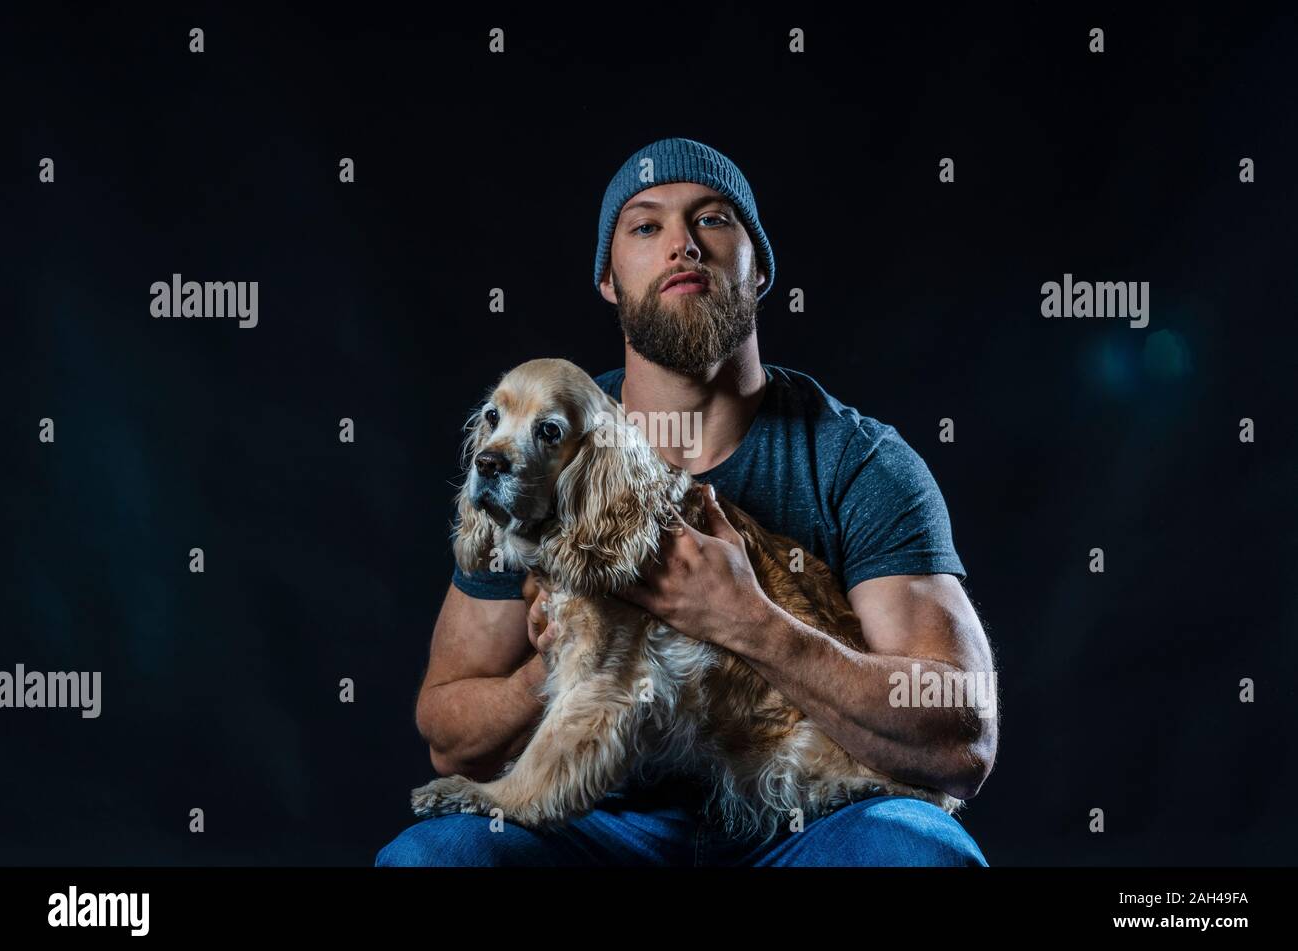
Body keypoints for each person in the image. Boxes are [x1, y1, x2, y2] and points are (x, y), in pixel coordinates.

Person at [376, 137, 995, 866]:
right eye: (646, 226)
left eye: (712, 220)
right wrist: (557, 666)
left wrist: (748, 620)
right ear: (608, 278)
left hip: (809, 824)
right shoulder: (544, 443)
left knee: (916, 854)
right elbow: (450, 740)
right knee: (435, 858)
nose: (682, 246)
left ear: (758, 266)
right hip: (601, 828)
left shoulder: (860, 462)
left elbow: (961, 739)